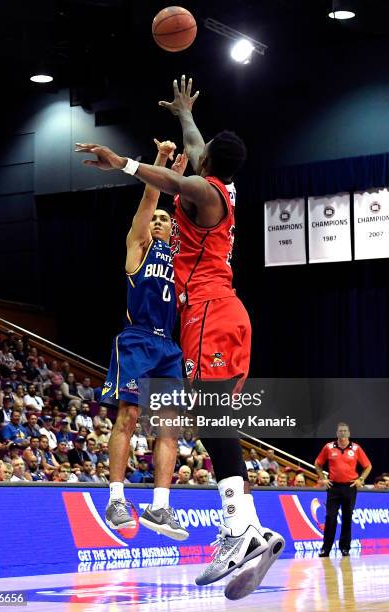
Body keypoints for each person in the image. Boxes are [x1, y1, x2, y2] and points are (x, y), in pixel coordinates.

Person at [76, 75, 282, 596]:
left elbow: (172, 181)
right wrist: (186, 114)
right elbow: (194, 147)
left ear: (209, 163)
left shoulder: (204, 192)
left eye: (202, 151)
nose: (197, 152)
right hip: (221, 314)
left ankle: (239, 530)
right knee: (215, 422)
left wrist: (118, 161)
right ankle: (248, 527)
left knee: (212, 421)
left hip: (211, 312)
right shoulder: (222, 185)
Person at [78, 138, 188, 540]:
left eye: (164, 218)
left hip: (169, 347)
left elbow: (185, 203)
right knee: (127, 416)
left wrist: (182, 170)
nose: (158, 220)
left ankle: (160, 507)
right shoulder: (137, 248)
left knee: (169, 428)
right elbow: (150, 195)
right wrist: (159, 162)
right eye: (154, 218)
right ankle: (117, 498)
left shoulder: (180, 261)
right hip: (138, 340)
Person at [315, 422, 372, 557]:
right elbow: (318, 464)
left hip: (350, 487)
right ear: (337, 433)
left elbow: (368, 466)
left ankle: (345, 548)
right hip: (333, 487)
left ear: (349, 433)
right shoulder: (328, 447)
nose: (343, 433)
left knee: (347, 518)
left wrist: (361, 479)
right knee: (330, 518)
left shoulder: (356, 448)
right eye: (340, 431)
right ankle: (326, 549)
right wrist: (323, 478)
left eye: (345, 431)